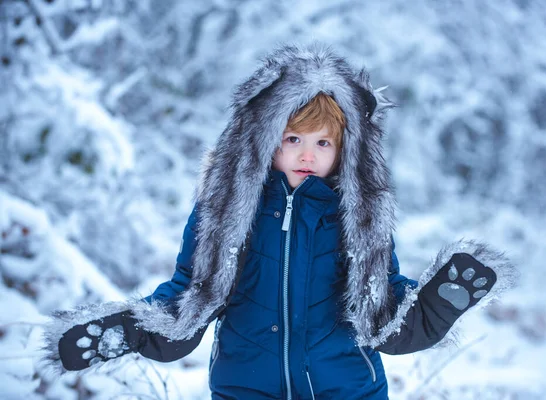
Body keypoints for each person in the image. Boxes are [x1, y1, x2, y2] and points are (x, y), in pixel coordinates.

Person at [42, 44, 517, 399]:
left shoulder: (361, 214)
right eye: (293, 138)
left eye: (323, 143)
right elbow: (190, 295)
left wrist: (437, 304)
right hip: (246, 386)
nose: (307, 154)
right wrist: (129, 330)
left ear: (345, 150)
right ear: (265, 140)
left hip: (346, 388)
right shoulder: (227, 208)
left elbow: (381, 308)